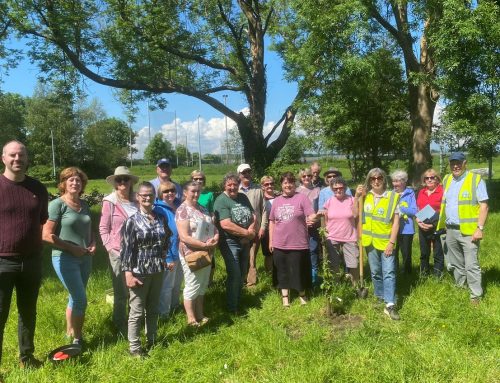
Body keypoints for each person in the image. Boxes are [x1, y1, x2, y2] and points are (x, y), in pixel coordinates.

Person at [0, 140, 48, 369]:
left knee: (28, 312)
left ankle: (26, 358)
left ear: (27, 159)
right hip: (2, 262)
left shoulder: (38, 189)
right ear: (3, 158)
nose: (17, 159)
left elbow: (41, 220)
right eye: (12, 155)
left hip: (31, 260)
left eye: (21, 155)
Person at [43, 167, 96, 347]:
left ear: (82, 185)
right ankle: (78, 339)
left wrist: (93, 243)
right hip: (64, 257)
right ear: (63, 184)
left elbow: (89, 230)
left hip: (85, 258)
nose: (75, 183)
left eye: (78, 180)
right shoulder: (57, 204)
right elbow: (46, 235)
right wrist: (71, 248)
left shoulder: (84, 205)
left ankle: (69, 331)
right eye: (71, 180)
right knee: (81, 298)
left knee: (74, 297)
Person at [121, 182, 171, 357]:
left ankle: (152, 340)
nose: (147, 198)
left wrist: (165, 258)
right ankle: (134, 347)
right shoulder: (132, 222)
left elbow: (166, 240)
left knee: (153, 308)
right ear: (138, 197)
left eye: (150, 194)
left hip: (157, 269)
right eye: (143, 195)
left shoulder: (161, 218)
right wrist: (128, 273)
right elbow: (126, 250)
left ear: (154, 196)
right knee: (136, 310)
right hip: (139, 271)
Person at [436, 152, 489, 304]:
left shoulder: (475, 180)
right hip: (450, 229)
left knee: (471, 264)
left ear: (465, 163)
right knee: (456, 263)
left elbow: (484, 205)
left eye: (458, 163)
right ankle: (460, 287)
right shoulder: (447, 179)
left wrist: (480, 228)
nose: (455, 166)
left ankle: (475, 295)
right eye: (453, 163)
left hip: (469, 231)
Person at [356, 168, 400, 320]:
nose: (376, 181)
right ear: (369, 181)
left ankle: (390, 304)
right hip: (369, 242)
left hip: (386, 242)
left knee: (388, 272)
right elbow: (355, 214)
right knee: (375, 272)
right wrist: (356, 197)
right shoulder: (364, 196)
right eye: (372, 179)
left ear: (384, 179)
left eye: (379, 178)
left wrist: (391, 242)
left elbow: (396, 223)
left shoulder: (392, 197)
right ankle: (380, 296)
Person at [99, 166, 139, 336]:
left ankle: (134, 321)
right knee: (121, 290)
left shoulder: (137, 201)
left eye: (126, 179)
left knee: (135, 289)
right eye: (119, 180)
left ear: (131, 182)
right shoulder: (110, 202)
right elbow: (103, 228)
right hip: (118, 252)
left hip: (138, 252)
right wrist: (110, 248)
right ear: (115, 183)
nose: (122, 182)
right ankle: (119, 323)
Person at [269, 172, 317, 307]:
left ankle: (302, 294)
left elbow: (311, 214)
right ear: (281, 185)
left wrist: (316, 217)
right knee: (282, 271)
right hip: (279, 243)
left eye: (290, 182)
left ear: (294, 184)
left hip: (298, 242)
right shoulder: (277, 200)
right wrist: (271, 241)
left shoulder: (302, 198)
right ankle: (285, 298)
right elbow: (272, 221)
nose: (288, 185)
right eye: (285, 182)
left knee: (298, 270)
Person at [176, 182, 219, 326]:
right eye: (193, 191)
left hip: (207, 252)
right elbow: (184, 237)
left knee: (203, 284)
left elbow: (213, 228)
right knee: (192, 284)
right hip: (191, 253)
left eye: (198, 191)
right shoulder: (182, 210)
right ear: (185, 193)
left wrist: (215, 238)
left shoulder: (203, 209)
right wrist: (204, 245)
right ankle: (191, 319)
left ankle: (200, 314)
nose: (196, 194)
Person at [214, 173, 256, 313]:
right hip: (229, 241)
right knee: (235, 273)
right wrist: (246, 233)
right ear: (224, 186)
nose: (232, 187)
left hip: (245, 241)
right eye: (229, 184)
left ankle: (239, 300)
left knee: (243, 272)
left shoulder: (243, 197)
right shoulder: (221, 200)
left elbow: (253, 215)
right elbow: (225, 224)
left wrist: (250, 231)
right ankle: (232, 307)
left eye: (235, 184)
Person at [153, 181, 183, 319]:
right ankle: (163, 314)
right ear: (160, 194)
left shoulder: (179, 205)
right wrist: (168, 257)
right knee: (166, 286)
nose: (169, 193)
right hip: (168, 254)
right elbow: (161, 235)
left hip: (182, 252)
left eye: (172, 190)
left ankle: (175, 307)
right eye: (165, 191)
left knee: (177, 283)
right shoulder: (158, 209)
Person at [323, 176, 360, 285]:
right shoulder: (329, 202)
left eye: (341, 188)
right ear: (332, 189)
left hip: (349, 237)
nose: (338, 190)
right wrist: (326, 233)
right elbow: (326, 219)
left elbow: (356, 215)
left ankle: (355, 286)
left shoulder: (352, 200)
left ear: (345, 188)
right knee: (333, 264)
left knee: (353, 264)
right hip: (333, 237)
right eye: (335, 189)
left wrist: (357, 198)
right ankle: (336, 285)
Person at [237, 164, 266, 287]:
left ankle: (251, 282)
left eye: (248, 171)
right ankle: (240, 279)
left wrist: (263, 227)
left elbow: (264, 210)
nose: (247, 175)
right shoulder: (235, 190)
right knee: (240, 255)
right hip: (239, 230)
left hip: (255, 229)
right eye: (244, 173)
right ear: (239, 175)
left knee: (252, 256)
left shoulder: (258, 190)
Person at [416, 169, 444, 277]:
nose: (429, 180)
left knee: (438, 252)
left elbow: (444, 210)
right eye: (427, 178)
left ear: (437, 179)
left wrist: (433, 224)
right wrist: (418, 221)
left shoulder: (442, 191)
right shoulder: (421, 192)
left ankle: (438, 275)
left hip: (437, 225)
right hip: (422, 225)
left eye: (432, 177)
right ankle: (423, 274)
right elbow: (419, 208)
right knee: (424, 252)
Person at [296, 168, 321, 284]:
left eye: (309, 176)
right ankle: (302, 277)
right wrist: (305, 220)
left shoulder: (318, 191)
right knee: (301, 252)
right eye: (304, 176)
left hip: (314, 226)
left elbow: (321, 208)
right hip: (300, 227)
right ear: (300, 178)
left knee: (314, 250)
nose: (306, 178)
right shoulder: (296, 191)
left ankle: (314, 279)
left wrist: (314, 219)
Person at [391, 170, 417, 274]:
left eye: (397, 181)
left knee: (406, 253)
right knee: (393, 251)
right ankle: (394, 271)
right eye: (393, 181)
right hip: (392, 228)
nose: (395, 184)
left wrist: (401, 208)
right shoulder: (390, 194)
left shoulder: (410, 193)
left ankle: (407, 273)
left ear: (404, 182)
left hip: (407, 229)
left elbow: (414, 210)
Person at [260, 175, 277, 275]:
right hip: (266, 229)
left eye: (271, 183)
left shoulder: (279, 196)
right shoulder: (261, 198)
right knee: (268, 253)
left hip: (279, 228)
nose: (269, 186)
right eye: (267, 184)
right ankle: (269, 273)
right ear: (262, 186)